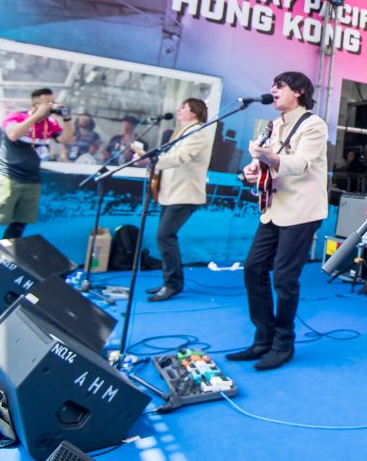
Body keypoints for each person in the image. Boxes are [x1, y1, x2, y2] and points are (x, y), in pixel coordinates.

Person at [226, 72, 329, 371]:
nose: (272, 90)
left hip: (302, 211)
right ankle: (263, 338)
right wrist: (252, 168)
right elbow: (264, 163)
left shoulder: (313, 124)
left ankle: (284, 343)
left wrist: (268, 159)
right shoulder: (272, 125)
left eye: (279, 86)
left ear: (298, 91)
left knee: (284, 278)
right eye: (272, 85)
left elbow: (299, 164)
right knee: (254, 268)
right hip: (274, 208)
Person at [0, 88, 74, 267]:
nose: (50, 107)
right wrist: (35, 116)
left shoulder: (50, 124)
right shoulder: (17, 117)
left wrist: (67, 118)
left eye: (52, 103)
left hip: (31, 179)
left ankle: (3, 262)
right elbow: (13, 134)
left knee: (20, 222)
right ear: (35, 104)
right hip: (7, 175)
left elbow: (67, 140)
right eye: (47, 103)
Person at [134, 99, 215, 302]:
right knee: (164, 237)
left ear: (195, 112)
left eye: (183, 108)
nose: (178, 110)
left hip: (185, 194)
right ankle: (170, 281)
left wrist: (152, 160)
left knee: (165, 236)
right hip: (171, 194)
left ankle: (172, 284)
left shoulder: (197, 132)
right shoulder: (181, 130)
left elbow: (180, 157)